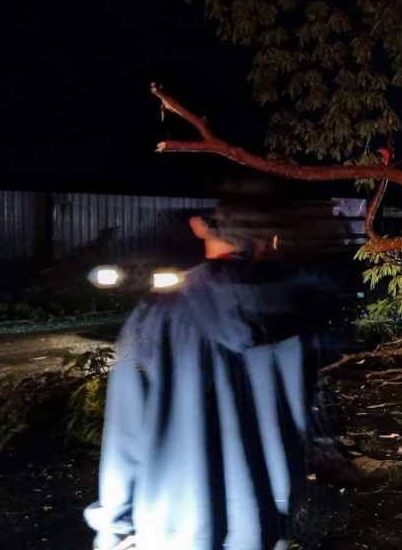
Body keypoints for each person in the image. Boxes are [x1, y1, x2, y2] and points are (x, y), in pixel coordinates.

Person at [85, 199, 324, 550]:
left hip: (173, 521)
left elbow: (126, 427)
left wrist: (113, 525)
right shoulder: (291, 313)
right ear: (270, 237)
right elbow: (297, 417)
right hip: (262, 519)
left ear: (199, 226)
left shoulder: (156, 313)